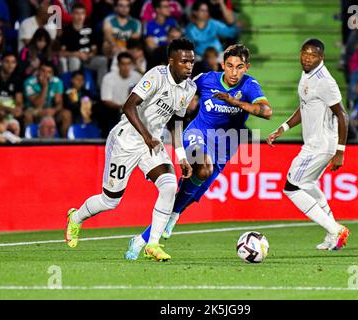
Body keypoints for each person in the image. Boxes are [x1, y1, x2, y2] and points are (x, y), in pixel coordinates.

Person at [130, 44, 273, 260]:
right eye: (230, 66)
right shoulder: (207, 79)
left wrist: (233, 100)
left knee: (186, 198)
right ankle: (171, 216)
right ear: (222, 64)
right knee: (203, 168)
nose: (234, 73)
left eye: (240, 67)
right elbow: (181, 88)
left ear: (247, 67)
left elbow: (267, 112)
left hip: (225, 147)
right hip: (196, 134)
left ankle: (143, 240)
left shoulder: (250, 85)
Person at [65, 39, 197, 262]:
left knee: (169, 186)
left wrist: (181, 155)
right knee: (111, 200)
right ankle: (76, 218)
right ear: (171, 61)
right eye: (184, 61)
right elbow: (128, 106)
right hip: (126, 140)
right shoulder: (156, 76)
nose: (189, 66)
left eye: (192, 61)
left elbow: (176, 121)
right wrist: (146, 136)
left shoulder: (190, 87)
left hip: (152, 143)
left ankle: (152, 244)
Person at [267, 39, 350, 251]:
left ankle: (334, 228)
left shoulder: (325, 81)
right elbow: (305, 106)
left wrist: (340, 152)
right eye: (304, 53)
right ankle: (334, 237)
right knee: (309, 185)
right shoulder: (307, 74)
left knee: (291, 188)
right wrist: (283, 128)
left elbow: (343, 116)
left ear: (321, 57)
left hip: (319, 145)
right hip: (316, 144)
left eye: (312, 55)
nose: (306, 57)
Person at [59, 3, 109, 88]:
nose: (80, 16)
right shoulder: (67, 31)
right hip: (73, 59)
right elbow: (62, 53)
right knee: (75, 60)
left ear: (85, 15)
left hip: (88, 59)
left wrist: (90, 54)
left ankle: (101, 89)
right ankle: (74, 91)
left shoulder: (89, 28)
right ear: (72, 14)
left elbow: (94, 49)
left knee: (103, 60)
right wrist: (76, 54)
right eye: (77, 13)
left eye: (82, 13)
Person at [24, 61, 71, 137]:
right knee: (28, 114)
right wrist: (45, 87)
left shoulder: (57, 82)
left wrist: (54, 110)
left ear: (52, 74)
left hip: (50, 110)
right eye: (43, 71)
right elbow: (37, 104)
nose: (45, 74)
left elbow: (59, 103)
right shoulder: (29, 82)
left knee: (66, 114)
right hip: (34, 110)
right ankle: (30, 141)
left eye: (49, 72)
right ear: (38, 71)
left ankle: (65, 142)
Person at [100, 52, 143, 134]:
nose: (126, 67)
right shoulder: (108, 78)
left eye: (128, 64)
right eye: (123, 64)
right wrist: (122, 107)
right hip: (114, 111)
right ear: (118, 65)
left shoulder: (137, 77)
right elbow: (106, 100)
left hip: (133, 110)